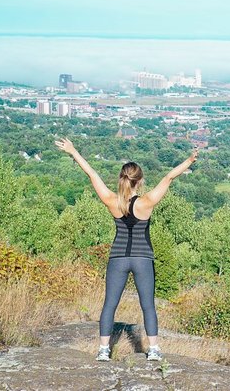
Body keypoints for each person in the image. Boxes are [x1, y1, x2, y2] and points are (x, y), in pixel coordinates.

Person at [55, 137, 198, 362]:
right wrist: (189, 160)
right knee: (148, 305)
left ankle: (103, 350)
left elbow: (92, 174)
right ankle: (154, 350)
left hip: (118, 258)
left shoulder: (112, 201)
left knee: (109, 304)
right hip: (142, 259)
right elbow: (169, 176)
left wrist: (73, 151)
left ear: (122, 179)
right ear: (138, 182)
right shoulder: (147, 202)